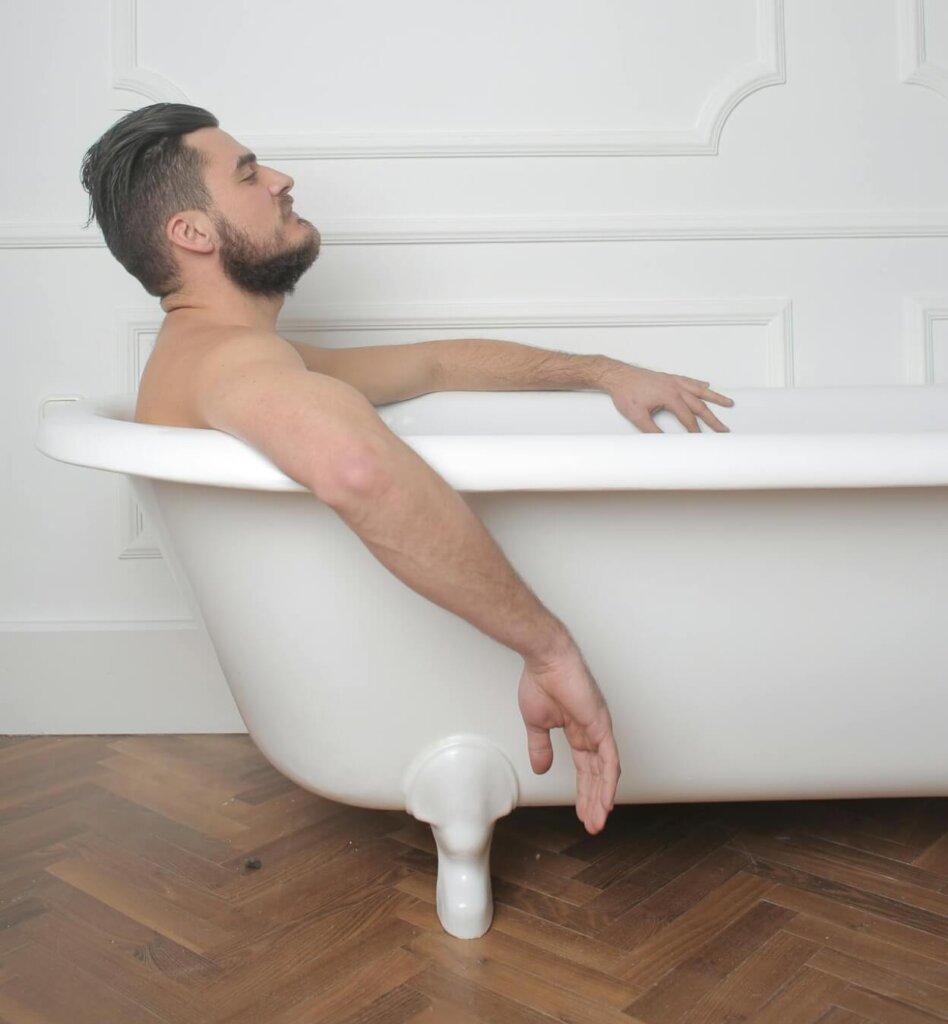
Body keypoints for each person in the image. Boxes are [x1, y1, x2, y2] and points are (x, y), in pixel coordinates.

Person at [80, 103, 734, 836]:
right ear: (192, 232)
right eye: (248, 173)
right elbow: (360, 470)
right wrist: (548, 650)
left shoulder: (222, 353)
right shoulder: (234, 362)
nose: (281, 180)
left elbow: (435, 363)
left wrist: (602, 371)